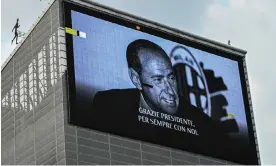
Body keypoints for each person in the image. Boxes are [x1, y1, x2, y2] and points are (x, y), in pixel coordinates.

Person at [87, 39, 236, 160]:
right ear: (136, 79)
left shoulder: (204, 127)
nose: (170, 91)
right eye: (158, 80)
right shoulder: (107, 105)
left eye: (171, 78)